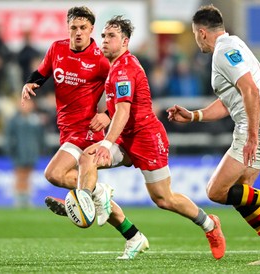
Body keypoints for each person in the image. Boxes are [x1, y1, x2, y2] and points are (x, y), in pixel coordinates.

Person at [76, 15, 226, 260]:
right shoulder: (114, 67)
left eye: (111, 36)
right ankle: (95, 198)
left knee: (164, 199)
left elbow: (124, 111)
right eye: (103, 35)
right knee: (86, 159)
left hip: (147, 138)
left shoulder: (125, 68)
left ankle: (210, 224)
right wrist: (105, 119)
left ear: (125, 41)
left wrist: (106, 142)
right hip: (125, 138)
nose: (104, 40)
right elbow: (119, 110)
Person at [167, 5, 260, 265]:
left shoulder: (223, 51)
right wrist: (194, 115)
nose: (197, 40)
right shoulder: (234, 44)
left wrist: (252, 136)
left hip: (257, 127)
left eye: (196, 35)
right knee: (241, 194)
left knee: (217, 191)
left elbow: (249, 90)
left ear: (202, 33)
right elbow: (230, 100)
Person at [21, 6, 147, 259]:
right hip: (67, 130)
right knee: (64, 180)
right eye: (73, 28)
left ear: (91, 29)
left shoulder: (101, 59)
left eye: (83, 28)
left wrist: (108, 115)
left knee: (55, 174)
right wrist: (30, 82)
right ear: (68, 29)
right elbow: (43, 72)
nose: (77, 33)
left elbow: (124, 93)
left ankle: (86, 199)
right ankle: (130, 232)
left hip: (87, 131)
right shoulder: (56, 49)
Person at [4, 98, 45, 208]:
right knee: (20, 175)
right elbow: (9, 138)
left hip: (32, 153)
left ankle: (27, 199)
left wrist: (41, 150)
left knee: (28, 176)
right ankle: (18, 200)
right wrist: (11, 151)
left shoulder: (35, 120)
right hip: (19, 152)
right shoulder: (14, 121)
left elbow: (41, 138)